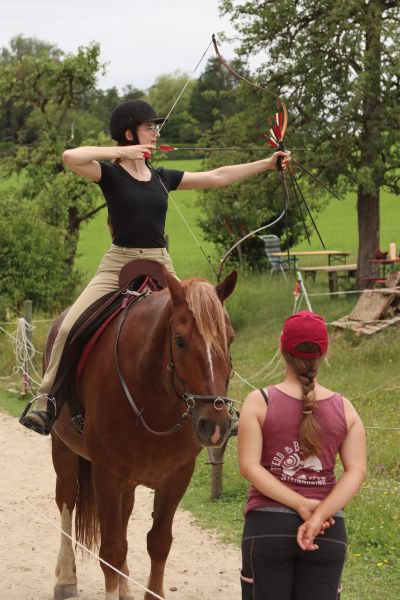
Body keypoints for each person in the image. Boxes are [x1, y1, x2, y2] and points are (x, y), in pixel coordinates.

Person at [20, 98, 291, 435]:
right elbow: (70, 157)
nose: (156, 132)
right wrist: (119, 154)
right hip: (118, 261)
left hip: (161, 262)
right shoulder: (110, 173)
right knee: (68, 325)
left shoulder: (161, 176)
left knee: (205, 327)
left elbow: (218, 176)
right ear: (130, 133)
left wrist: (267, 164)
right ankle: (47, 400)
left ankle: (221, 405)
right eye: (150, 127)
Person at [238, 310, 367, 600]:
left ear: (281, 346)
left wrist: (301, 504)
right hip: (328, 531)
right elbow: (356, 471)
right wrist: (319, 512)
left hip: (268, 529)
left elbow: (249, 466)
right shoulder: (345, 408)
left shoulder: (259, 402)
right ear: (325, 350)